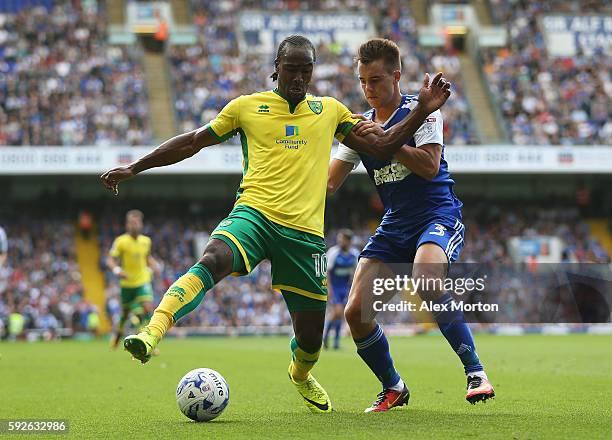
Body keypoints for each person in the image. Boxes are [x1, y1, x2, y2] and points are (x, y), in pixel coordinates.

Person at [100, 34, 451, 413]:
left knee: (311, 339)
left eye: (306, 70)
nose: (299, 77)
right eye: (291, 69)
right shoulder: (247, 107)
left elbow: (383, 146)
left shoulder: (331, 111)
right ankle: (153, 331)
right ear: (276, 69)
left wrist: (421, 111)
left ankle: (300, 374)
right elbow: (193, 141)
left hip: (304, 236)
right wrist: (136, 166)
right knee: (213, 258)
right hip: (254, 215)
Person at [328, 38, 494, 412]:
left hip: (437, 213)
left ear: (396, 76)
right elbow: (329, 182)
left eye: (375, 80)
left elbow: (429, 166)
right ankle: (393, 387)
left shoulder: (422, 111)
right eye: (362, 81)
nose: (368, 90)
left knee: (426, 279)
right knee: (355, 313)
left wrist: (385, 143)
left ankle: (476, 372)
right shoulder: (361, 128)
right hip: (395, 224)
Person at [106, 210, 161, 349]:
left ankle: (148, 340)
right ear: (127, 225)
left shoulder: (146, 241)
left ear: (141, 224)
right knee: (125, 314)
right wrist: (117, 270)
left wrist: (155, 266)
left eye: (137, 222)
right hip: (127, 283)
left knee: (147, 308)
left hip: (143, 280)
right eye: (132, 223)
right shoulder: (121, 241)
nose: (135, 225)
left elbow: (147, 258)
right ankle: (118, 336)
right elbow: (110, 260)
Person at [323, 229, 359, 349]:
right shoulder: (333, 253)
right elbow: (327, 272)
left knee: (340, 314)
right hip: (334, 287)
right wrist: (328, 288)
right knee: (338, 312)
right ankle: (325, 336)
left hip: (345, 288)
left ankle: (335, 342)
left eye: (342, 239)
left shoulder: (354, 254)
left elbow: (356, 273)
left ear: (348, 241)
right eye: (339, 239)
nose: (339, 241)